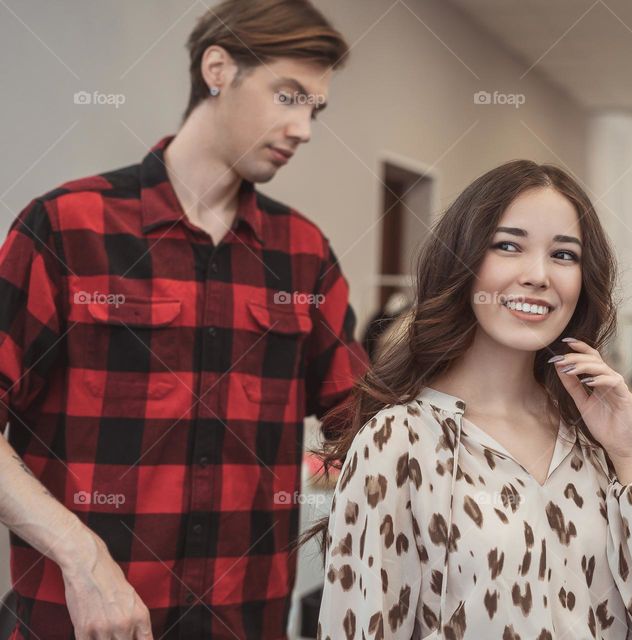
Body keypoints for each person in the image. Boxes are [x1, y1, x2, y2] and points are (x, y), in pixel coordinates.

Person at [0, 1, 369, 637]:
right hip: (80, 624)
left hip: (246, 622)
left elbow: (364, 426)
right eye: (289, 97)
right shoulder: (67, 227)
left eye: (316, 108)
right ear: (218, 69)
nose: (305, 129)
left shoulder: (303, 255)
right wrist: (82, 556)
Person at [312, 161, 632, 639]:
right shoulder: (400, 440)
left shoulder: (591, 438)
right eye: (508, 245)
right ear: (463, 261)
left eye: (564, 255)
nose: (538, 275)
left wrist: (631, 455)